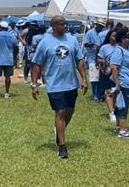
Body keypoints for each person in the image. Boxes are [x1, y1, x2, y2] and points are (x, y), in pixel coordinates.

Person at [31, 15, 88, 159]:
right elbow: (37, 65)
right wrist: (34, 84)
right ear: (54, 26)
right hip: (54, 85)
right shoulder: (45, 42)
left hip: (71, 83)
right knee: (60, 112)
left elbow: (79, 60)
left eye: (65, 23)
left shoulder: (72, 39)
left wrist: (84, 79)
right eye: (62, 24)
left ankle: (59, 131)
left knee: (70, 111)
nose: (66, 26)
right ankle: (62, 146)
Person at [110, 28, 129, 138]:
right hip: (123, 83)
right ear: (122, 39)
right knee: (123, 106)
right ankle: (122, 130)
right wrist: (117, 84)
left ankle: (119, 127)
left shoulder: (126, 51)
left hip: (128, 82)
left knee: (121, 104)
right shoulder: (119, 51)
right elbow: (114, 67)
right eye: (128, 38)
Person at [0, 21, 18, 99]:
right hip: (9, 59)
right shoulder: (12, 36)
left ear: (0, 27)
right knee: (8, 77)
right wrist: (14, 57)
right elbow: (16, 48)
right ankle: (6, 93)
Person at [97, 29, 118, 122]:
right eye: (113, 36)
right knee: (108, 92)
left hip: (118, 73)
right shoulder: (104, 47)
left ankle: (116, 109)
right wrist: (104, 61)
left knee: (116, 92)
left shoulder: (120, 47)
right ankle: (111, 112)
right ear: (109, 37)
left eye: (116, 36)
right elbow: (98, 59)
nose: (114, 38)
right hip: (107, 72)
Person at [84, 19, 105, 101]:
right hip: (92, 57)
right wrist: (92, 44)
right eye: (99, 25)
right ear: (96, 25)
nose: (100, 27)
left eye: (101, 26)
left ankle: (100, 94)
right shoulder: (90, 33)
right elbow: (85, 44)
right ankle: (94, 94)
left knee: (100, 77)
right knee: (94, 77)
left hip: (101, 57)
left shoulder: (102, 33)